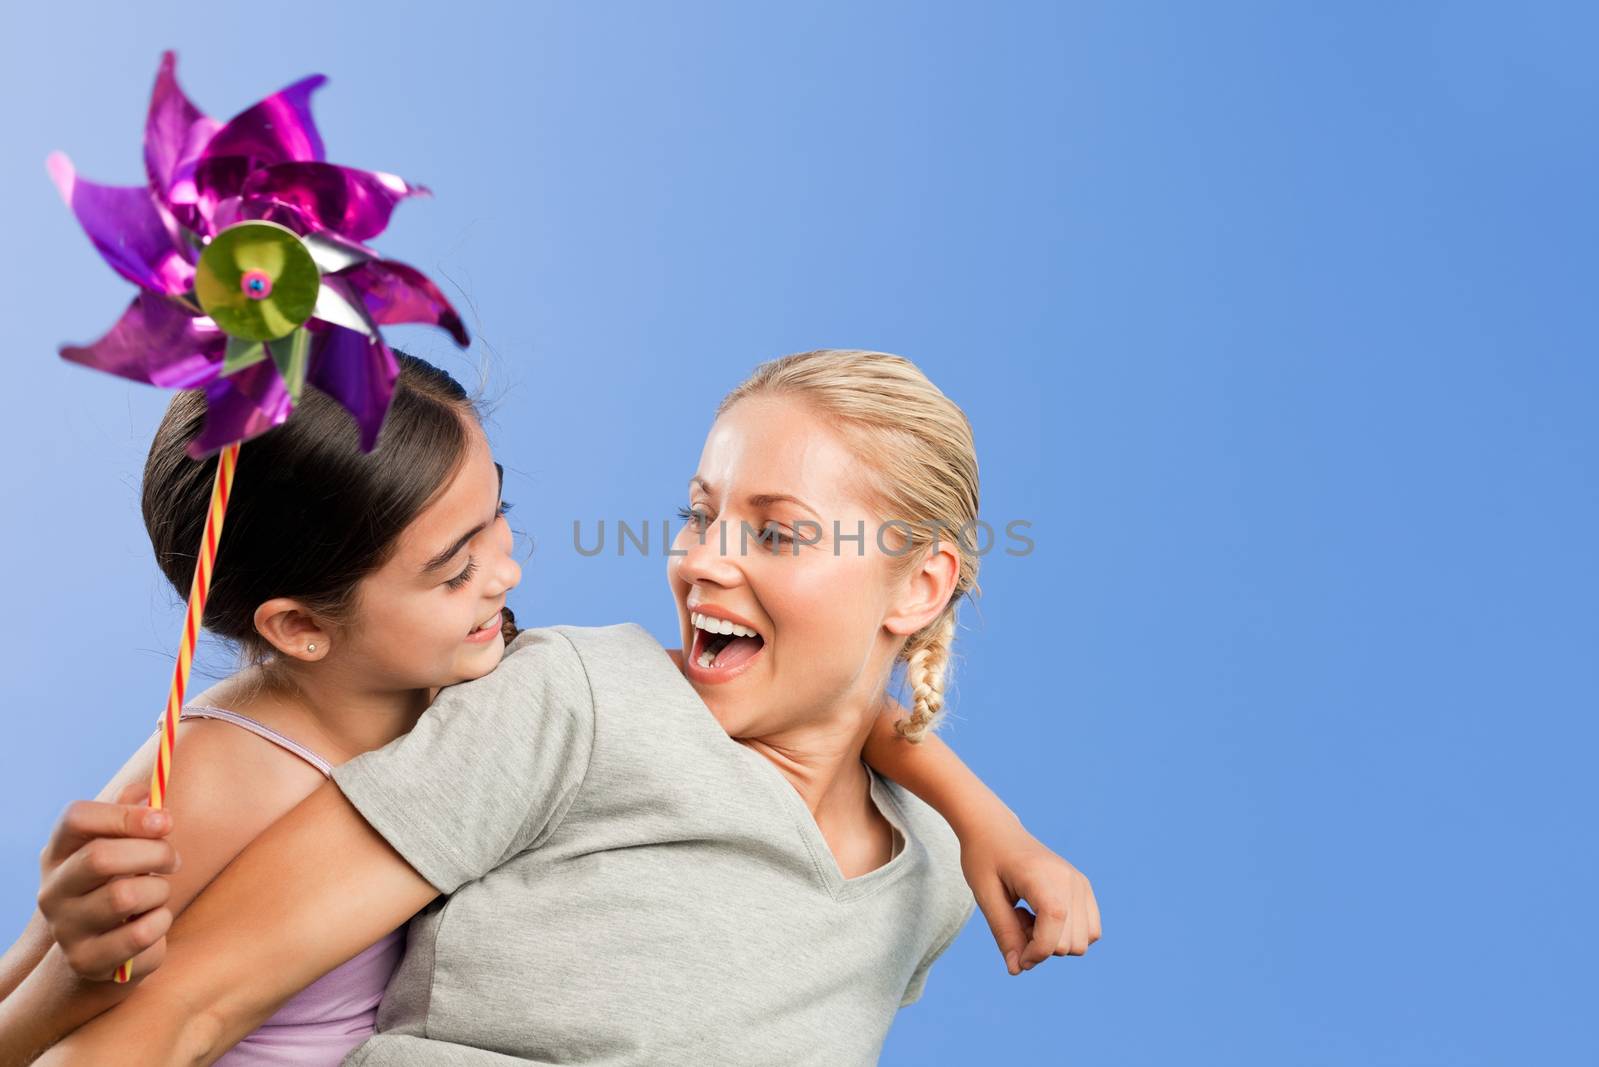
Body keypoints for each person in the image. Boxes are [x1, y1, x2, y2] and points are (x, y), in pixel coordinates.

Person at [10, 351, 1098, 1065]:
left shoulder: (934, 878)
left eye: (775, 531)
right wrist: (62, 989)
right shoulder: (549, 698)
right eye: (701, 512)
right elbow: (158, 1015)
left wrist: (985, 819)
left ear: (920, 584)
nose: (509, 571)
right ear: (300, 624)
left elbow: (829, 723)